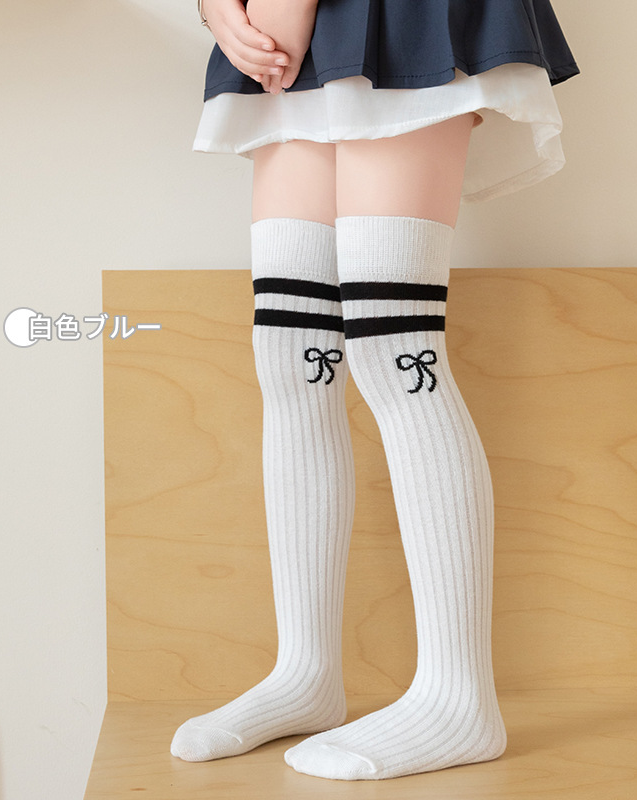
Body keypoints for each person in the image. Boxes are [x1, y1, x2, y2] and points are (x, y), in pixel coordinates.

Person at [170, 0, 579, 781]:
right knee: (292, 355)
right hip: (298, 21)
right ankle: (305, 672)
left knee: (395, 345)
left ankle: (458, 697)